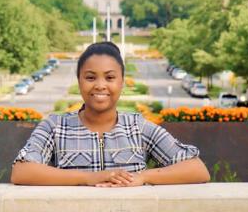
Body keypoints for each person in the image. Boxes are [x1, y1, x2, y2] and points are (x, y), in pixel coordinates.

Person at [11, 42, 210, 186]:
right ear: (79, 81)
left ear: (121, 82)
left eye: (110, 77)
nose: (100, 85)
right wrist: (88, 178)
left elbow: (197, 169)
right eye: (90, 77)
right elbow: (21, 171)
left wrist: (143, 177)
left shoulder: (137, 127)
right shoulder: (55, 126)